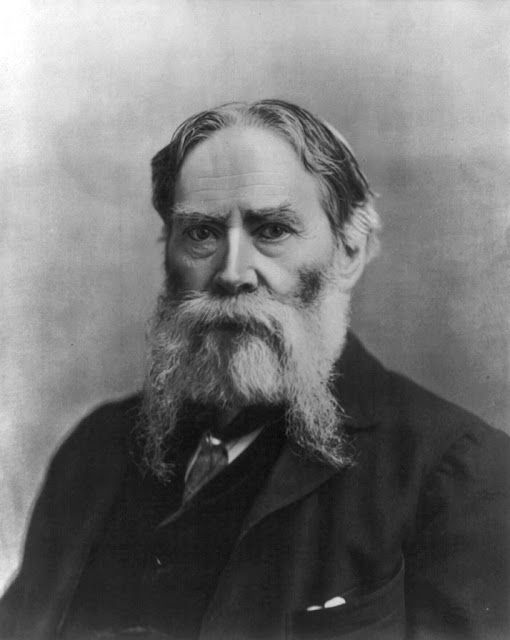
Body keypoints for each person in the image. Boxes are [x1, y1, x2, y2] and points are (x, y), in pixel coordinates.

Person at [0, 99, 508, 640]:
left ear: (349, 251)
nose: (232, 273)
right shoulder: (95, 448)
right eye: (202, 233)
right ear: (169, 252)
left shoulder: (456, 475)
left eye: (272, 230)